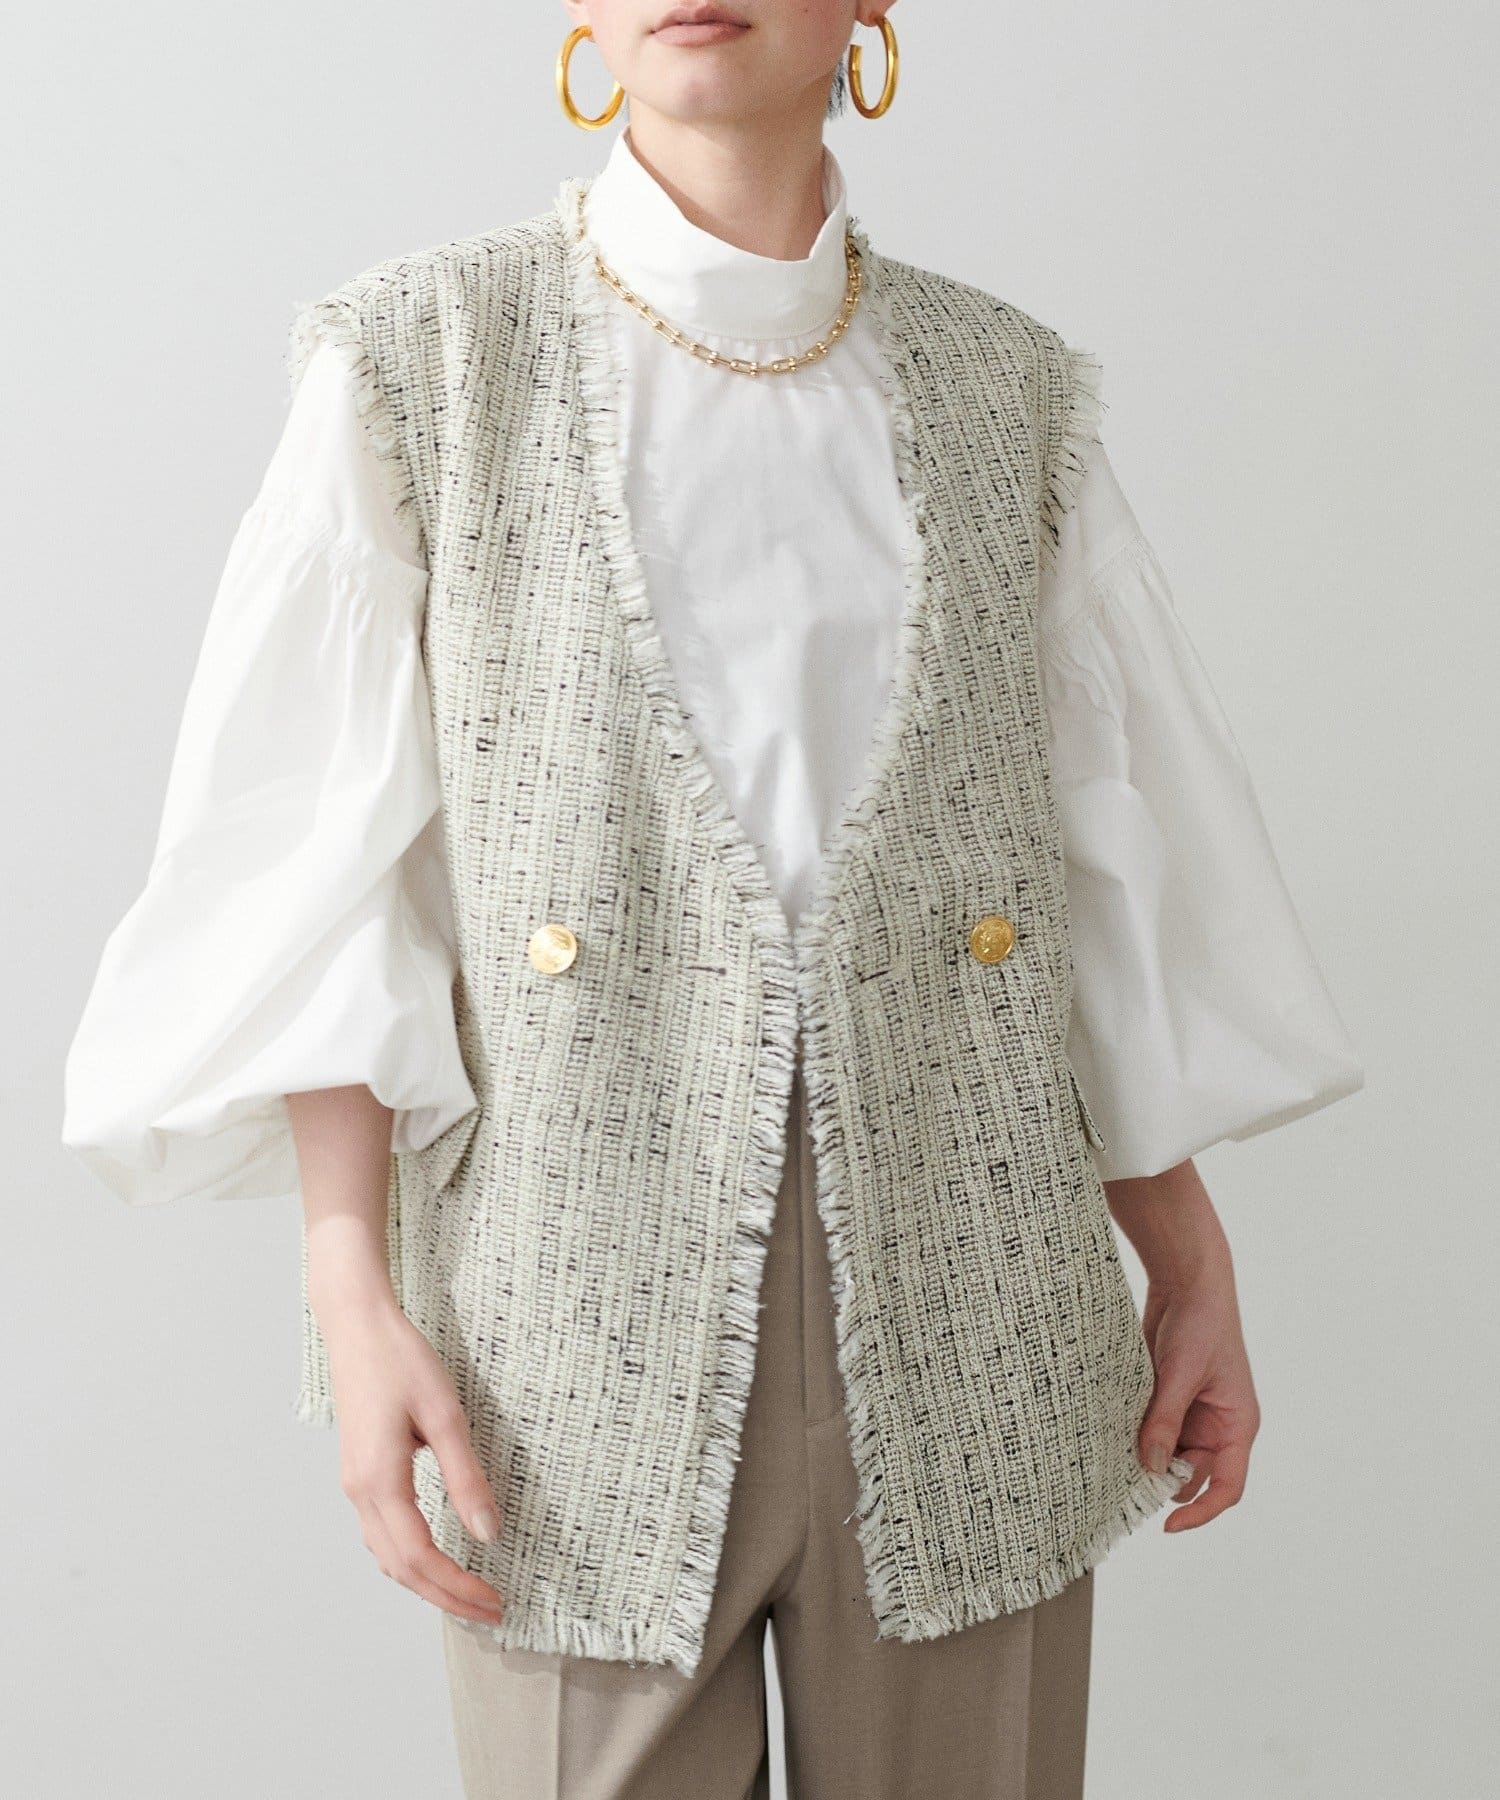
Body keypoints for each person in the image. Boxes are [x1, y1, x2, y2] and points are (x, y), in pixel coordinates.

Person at [61, 4, 1365, 1795]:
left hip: (974, 1287)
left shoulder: (1007, 391)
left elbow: (1090, 855)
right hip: (570, 1313)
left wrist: (1190, 1251)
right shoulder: (423, 358)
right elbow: (320, 867)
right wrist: (349, 1290)